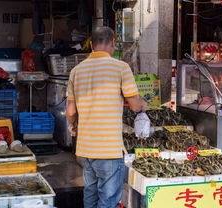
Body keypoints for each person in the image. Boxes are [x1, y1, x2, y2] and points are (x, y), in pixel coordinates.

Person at [66, 26, 148, 208]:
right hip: (108, 150)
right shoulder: (121, 68)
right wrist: (144, 105)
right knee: (108, 201)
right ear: (112, 43)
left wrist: (73, 125)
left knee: (91, 194)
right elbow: (134, 105)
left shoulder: (76, 71)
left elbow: (70, 112)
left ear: (92, 45)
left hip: (85, 149)